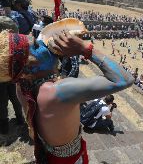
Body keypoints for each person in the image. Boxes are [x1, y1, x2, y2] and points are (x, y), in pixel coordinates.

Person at [0, 19, 134, 163]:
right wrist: (85, 48)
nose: (45, 43)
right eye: (38, 45)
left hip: (50, 153)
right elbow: (124, 80)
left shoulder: (21, 85)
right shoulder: (58, 91)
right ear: (29, 67)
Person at [0, 16, 24, 134]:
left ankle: (4, 126)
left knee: (2, 102)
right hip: (13, 75)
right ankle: (20, 119)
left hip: (2, 78)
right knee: (15, 98)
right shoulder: (14, 41)